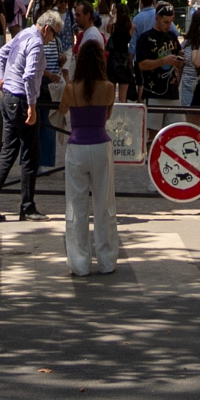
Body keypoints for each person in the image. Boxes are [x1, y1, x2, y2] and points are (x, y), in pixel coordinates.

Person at [0, 9, 63, 223]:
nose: (52, 39)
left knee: (8, 151)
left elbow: (2, 54)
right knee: (30, 154)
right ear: (46, 29)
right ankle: (27, 207)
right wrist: (32, 108)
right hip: (22, 100)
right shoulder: (36, 42)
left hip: (9, 98)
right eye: (53, 34)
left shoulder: (24, 34)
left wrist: (1, 78)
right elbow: (29, 76)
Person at [62, 34, 120, 277]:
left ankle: (80, 262)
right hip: (100, 145)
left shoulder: (71, 88)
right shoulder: (108, 88)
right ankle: (106, 260)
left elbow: (62, 111)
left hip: (76, 145)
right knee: (104, 204)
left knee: (76, 206)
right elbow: (106, 117)